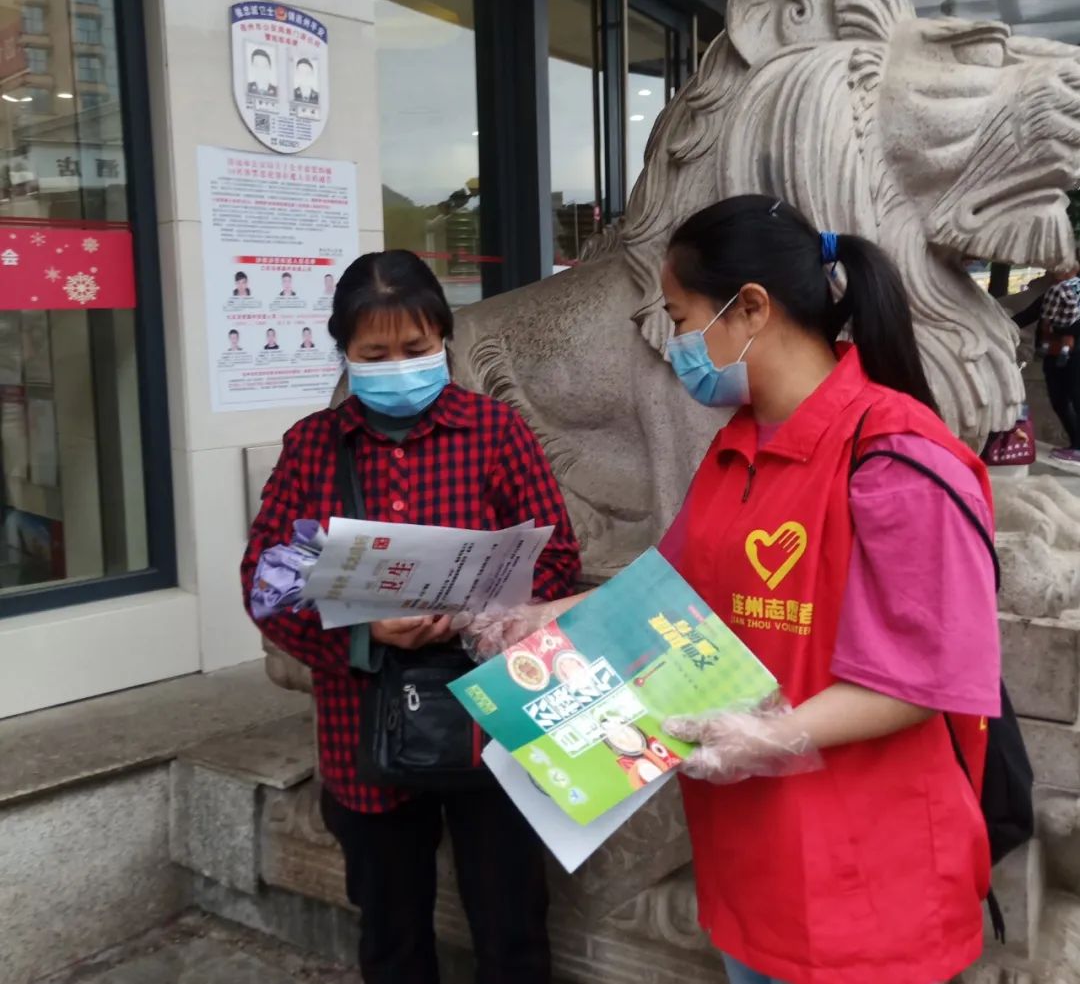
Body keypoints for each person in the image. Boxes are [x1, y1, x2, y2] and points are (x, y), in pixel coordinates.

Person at [465, 196, 1000, 984]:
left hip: (869, 877)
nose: (675, 344)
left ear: (750, 307)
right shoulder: (735, 448)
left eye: (681, 319)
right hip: (751, 862)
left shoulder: (897, 458)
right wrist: (545, 617)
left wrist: (773, 734)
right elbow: (667, 594)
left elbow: (923, 677)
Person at [241, 249, 580, 984]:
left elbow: (556, 557)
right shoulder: (312, 447)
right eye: (375, 354)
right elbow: (264, 584)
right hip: (361, 726)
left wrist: (477, 608)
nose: (398, 367)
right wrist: (361, 631)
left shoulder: (496, 432)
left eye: (416, 348)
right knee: (391, 934)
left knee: (512, 927)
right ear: (344, 352)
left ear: (443, 339)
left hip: (491, 717)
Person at [1039, 265, 1080, 463]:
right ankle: (1075, 444)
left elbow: (1046, 319)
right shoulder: (1066, 288)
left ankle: (1078, 447)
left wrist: (1059, 332)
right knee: (1064, 399)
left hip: (1068, 352)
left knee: (1069, 398)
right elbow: (1035, 312)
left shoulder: (1060, 290)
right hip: (1062, 351)